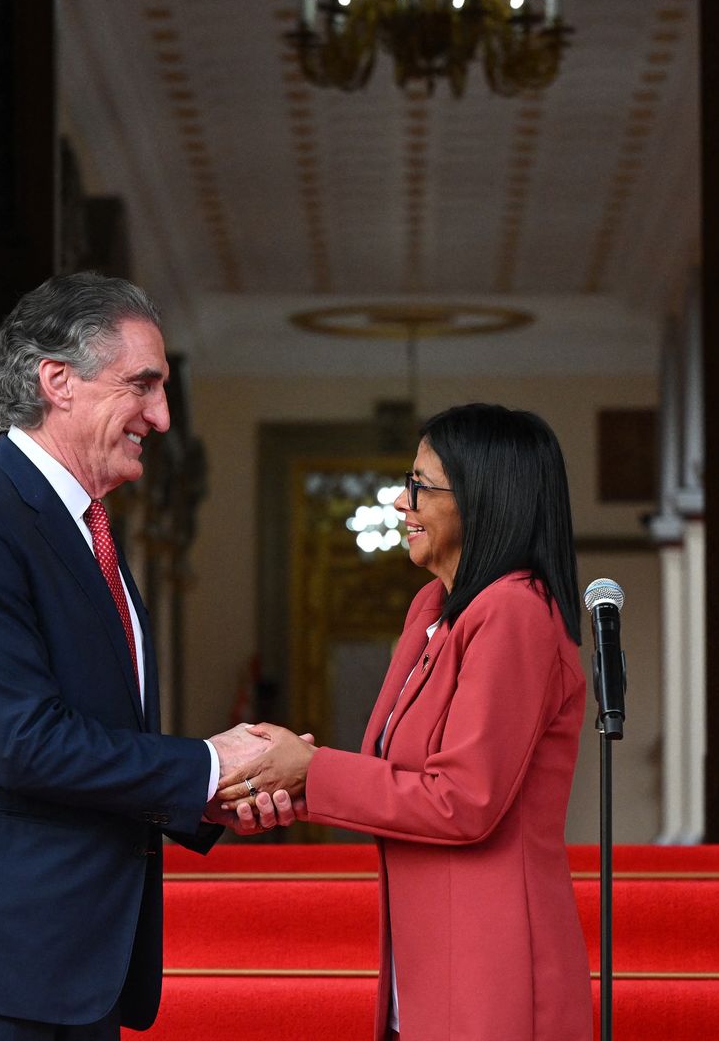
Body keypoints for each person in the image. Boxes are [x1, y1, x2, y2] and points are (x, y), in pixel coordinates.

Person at [0, 273, 300, 1040]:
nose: (160, 418)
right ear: (56, 381)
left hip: (68, 958)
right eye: (142, 386)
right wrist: (207, 765)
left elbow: (94, 728)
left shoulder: (81, 527)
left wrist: (210, 797)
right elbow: (21, 741)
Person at [221, 403, 593, 1041]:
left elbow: (463, 800)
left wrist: (311, 771)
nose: (401, 501)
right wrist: (284, 782)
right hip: (427, 960)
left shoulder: (513, 612)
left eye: (421, 485)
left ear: (482, 499)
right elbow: (393, 780)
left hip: (491, 959)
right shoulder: (437, 608)